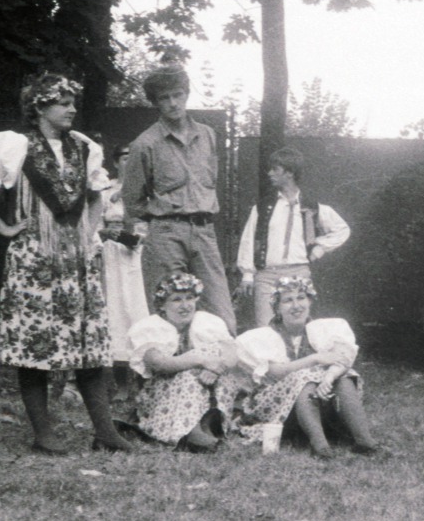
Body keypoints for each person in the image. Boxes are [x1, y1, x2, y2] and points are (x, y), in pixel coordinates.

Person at [0, 72, 132, 454]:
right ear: (39, 106)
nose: (72, 109)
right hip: (34, 260)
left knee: (89, 346)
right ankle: (43, 435)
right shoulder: (14, 146)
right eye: (63, 102)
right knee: (35, 347)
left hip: (77, 262)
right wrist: (5, 228)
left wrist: (87, 236)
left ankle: (105, 432)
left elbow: (96, 195)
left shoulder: (84, 147)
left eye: (73, 102)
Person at [121, 65, 237, 332]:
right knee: (169, 315)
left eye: (177, 95)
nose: (173, 103)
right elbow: (133, 200)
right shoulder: (145, 143)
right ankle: (168, 371)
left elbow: (211, 181)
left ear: (186, 94)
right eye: (164, 98)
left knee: (221, 312)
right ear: (156, 103)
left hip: (204, 231)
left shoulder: (207, 135)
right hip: (166, 233)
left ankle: (219, 371)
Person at [236, 275, 383, 459]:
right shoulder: (264, 336)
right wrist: (315, 359)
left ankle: (365, 442)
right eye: (288, 301)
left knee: (343, 377)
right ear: (277, 308)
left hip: (321, 403)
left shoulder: (325, 329)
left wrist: (329, 377)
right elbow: (277, 372)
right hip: (278, 410)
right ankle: (319, 446)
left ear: (310, 301)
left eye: (301, 298)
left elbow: (342, 359)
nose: (296, 305)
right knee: (303, 378)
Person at [236, 146, 350, 328]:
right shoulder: (264, 207)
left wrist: (318, 248)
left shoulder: (311, 206)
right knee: (265, 328)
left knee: (297, 328)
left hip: (299, 274)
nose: (269, 173)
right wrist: (247, 275)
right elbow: (248, 240)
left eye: (275, 169)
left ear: (289, 173)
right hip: (267, 276)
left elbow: (342, 230)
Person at [127, 272, 239, 451]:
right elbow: (159, 364)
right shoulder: (151, 327)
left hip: (207, 387)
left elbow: (232, 354)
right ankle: (189, 432)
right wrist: (200, 360)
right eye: (177, 300)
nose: (185, 305)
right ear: (162, 305)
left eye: (189, 298)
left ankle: (209, 426)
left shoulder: (207, 323)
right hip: (163, 395)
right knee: (191, 372)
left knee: (221, 365)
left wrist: (215, 368)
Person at [100, 141, 150, 386]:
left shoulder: (148, 191)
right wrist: (106, 234)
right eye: (123, 158)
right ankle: (120, 382)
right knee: (116, 310)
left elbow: (150, 228)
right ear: (115, 162)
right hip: (112, 258)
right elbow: (94, 225)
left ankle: (143, 378)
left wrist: (135, 238)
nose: (129, 162)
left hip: (138, 256)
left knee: (139, 309)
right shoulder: (105, 191)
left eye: (134, 158)